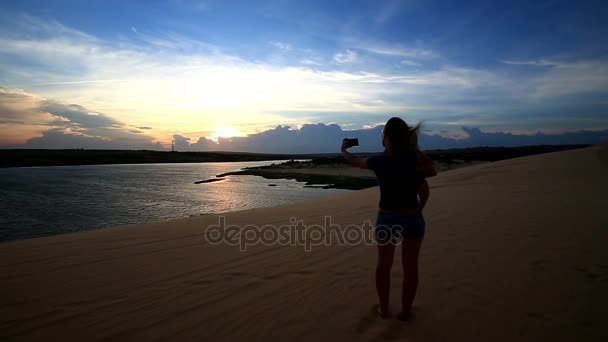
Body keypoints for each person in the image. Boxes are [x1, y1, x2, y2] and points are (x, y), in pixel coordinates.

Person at [341, 117, 436, 322]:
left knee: (384, 265)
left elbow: (355, 162)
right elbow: (431, 170)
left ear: (387, 137)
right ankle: (406, 312)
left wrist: (344, 151)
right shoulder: (414, 159)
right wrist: (412, 149)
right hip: (412, 218)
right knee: (411, 267)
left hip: (387, 219)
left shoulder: (379, 161)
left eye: (383, 133)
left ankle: (385, 310)